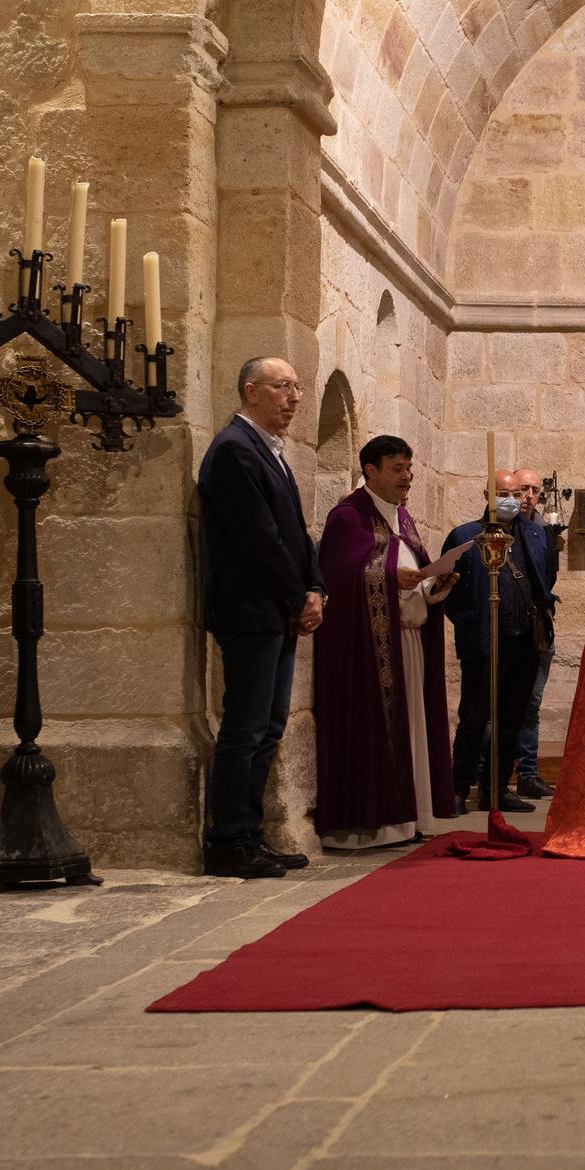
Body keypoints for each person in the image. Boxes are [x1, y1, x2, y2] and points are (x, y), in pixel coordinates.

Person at [195, 357, 324, 879]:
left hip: (277, 608)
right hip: (251, 610)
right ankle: (229, 840)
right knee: (245, 728)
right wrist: (298, 596)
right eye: (282, 387)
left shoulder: (270, 451)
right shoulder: (233, 450)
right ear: (251, 391)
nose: (294, 397)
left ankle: (251, 834)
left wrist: (314, 585)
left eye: (297, 387)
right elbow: (258, 541)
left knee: (268, 727)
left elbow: (295, 531)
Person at [314, 435, 458, 849]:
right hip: (370, 648)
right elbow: (339, 576)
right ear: (371, 471)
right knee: (379, 731)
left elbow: (413, 571)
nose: (407, 477)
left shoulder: (402, 517)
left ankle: (410, 817)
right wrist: (389, 578)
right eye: (397, 469)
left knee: (411, 726)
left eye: (409, 468)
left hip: (409, 641)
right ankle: (375, 824)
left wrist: (436, 582)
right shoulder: (348, 517)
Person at [445, 471, 550, 814]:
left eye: (516, 492)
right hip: (484, 641)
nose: (512, 498)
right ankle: (459, 788)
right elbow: (449, 588)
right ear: (487, 494)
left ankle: (497, 789)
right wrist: (469, 621)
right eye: (502, 492)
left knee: (511, 720)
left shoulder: (534, 533)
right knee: (475, 718)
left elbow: (543, 580)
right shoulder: (465, 535)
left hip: (523, 642)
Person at [510, 466, 559, 799]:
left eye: (533, 491)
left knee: (531, 702)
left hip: (537, 627)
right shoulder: (488, 532)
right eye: (521, 490)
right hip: (505, 629)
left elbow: (547, 577)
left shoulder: (542, 533)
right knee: (491, 706)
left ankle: (527, 773)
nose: (528, 497)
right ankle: (489, 775)